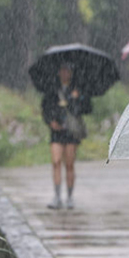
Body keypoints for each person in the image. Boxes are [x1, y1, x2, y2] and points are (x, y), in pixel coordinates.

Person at [41, 63, 92, 210]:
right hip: (56, 132)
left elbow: (87, 108)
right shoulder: (52, 89)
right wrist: (51, 122)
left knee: (69, 164)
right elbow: (45, 108)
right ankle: (57, 196)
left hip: (71, 132)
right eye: (62, 70)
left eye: (68, 71)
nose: (65, 73)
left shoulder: (77, 89)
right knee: (56, 161)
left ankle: (69, 197)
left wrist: (75, 98)